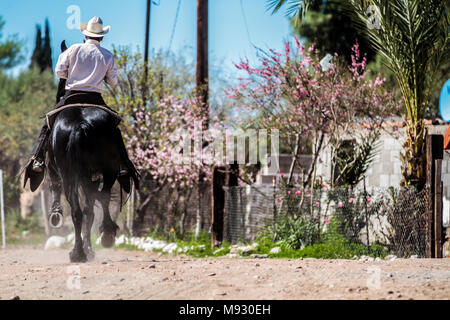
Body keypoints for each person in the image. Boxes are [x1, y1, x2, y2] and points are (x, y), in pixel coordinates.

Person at [24, 16, 139, 190]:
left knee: (48, 125)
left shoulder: (73, 49)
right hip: (96, 99)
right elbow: (113, 82)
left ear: (85, 35)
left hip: (71, 96)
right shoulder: (107, 55)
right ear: (101, 37)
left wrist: (74, 73)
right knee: (114, 130)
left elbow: (60, 72)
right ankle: (123, 166)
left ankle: (37, 161)